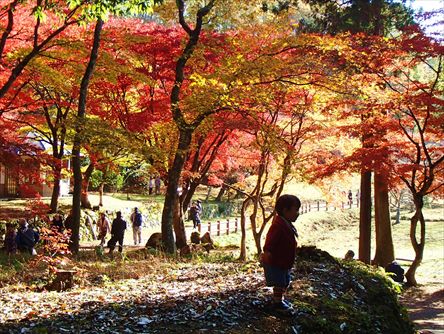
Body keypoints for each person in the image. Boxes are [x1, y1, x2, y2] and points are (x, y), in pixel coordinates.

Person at [260, 194, 301, 315]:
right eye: (296, 210)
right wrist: (267, 252)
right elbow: (270, 242)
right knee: (279, 282)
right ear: (285, 210)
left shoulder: (286, 223)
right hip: (277, 260)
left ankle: (280, 300)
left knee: (285, 281)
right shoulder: (278, 226)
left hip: (284, 260)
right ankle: (277, 302)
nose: (298, 213)